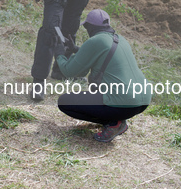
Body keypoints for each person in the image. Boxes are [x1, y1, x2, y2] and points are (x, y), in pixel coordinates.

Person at [53, 9, 151, 142]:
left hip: (122, 102)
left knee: (64, 102)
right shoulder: (120, 39)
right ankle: (117, 120)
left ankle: (113, 123)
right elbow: (103, 54)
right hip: (142, 101)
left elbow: (71, 71)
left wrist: (59, 54)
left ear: (89, 27)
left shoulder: (95, 40)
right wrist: (75, 49)